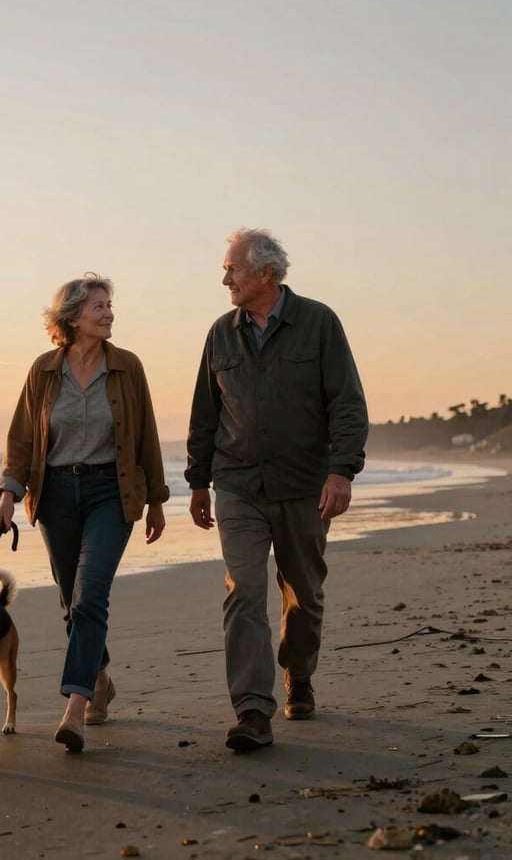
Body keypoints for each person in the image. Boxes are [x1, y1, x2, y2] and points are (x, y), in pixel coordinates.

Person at [185, 228, 368, 752]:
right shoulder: (221, 333)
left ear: (265, 271)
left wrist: (342, 471)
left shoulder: (319, 323)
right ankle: (251, 710)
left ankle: (300, 672)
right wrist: (199, 480)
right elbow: (205, 413)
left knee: (303, 595)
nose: (225, 278)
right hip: (238, 484)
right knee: (243, 591)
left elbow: (348, 404)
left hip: (305, 486)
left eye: (232, 269)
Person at [0, 273, 168, 753]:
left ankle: (75, 708)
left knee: (91, 596)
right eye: (98, 306)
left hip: (112, 493)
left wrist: (156, 499)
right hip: (55, 496)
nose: (108, 312)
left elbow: (147, 435)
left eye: (110, 304)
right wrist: (9, 494)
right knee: (73, 604)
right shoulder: (44, 370)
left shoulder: (128, 367)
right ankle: (102, 679)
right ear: (71, 317)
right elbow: (23, 439)